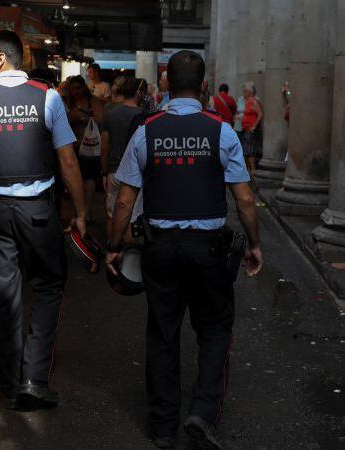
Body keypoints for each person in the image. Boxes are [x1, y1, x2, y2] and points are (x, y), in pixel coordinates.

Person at [105, 50, 263, 449]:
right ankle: (202, 414)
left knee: (163, 333)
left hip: (160, 249)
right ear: (205, 86)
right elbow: (244, 198)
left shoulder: (147, 130)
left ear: (166, 86)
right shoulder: (221, 130)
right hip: (208, 250)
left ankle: (162, 427)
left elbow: (124, 199)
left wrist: (113, 245)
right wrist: (255, 244)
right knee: (214, 329)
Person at [0, 30, 86, 411]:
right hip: (37, 209)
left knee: (3, 295)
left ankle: (7, 383)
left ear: (1, 59)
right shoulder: (47, 97)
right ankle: (34, 379)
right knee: (48, 286)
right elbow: (67, 159)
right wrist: (81, 213)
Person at [101, 77, 144, 239]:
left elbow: (105, 146)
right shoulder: (143, 115)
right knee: (131, 213)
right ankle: (126, 253)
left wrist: (103, 172)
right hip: (135, 173)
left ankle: (111, 248)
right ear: (138, 93)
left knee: (112, 213)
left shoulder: (111, 114)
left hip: (114, 169)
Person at [67, 75, 103, 222]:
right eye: (73, 88)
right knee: (75, 179)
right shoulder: (67, 101)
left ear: (83, 88)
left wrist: (82, 118)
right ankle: (79, 211)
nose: (76, 91)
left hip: (89, 147)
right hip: (73, 146)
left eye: (78, 88)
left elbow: (100, 119)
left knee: (88, 178)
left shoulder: (92, 101)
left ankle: (86, 211)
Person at [240, 81, 263, 178]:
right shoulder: (249, 101)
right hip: (246, 129)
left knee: (249, 152)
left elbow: (260, 114)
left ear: (250, 92)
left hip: (251, 129)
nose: (243, 93)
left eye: (245, 91)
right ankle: (249, 171)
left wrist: (254, 126)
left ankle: (252, 171)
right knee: (247, 151)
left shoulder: (253, 101)